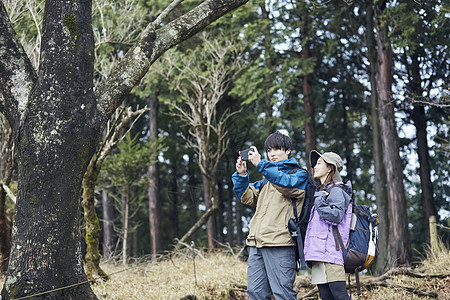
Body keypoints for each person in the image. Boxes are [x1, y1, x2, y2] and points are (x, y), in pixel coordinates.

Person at [232, 131, 308, 300]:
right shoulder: (267, 179)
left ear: (288, 150)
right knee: (256, 293)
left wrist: (262, 165)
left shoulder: (298, 174)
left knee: (283, 294)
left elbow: (286, 185)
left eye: (277, 149)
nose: (272, 154)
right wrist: (242, 175)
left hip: (281, 243)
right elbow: (247, 197)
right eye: (269, 150)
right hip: (257, 243)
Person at [304, 150, 352, 300]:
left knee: (340, 295)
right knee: (326, 297)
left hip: (331, 253)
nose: (314, 167)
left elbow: (336, 216)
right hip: (319, 254)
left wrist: (319, 200)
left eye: (319, 163)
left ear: (330, 167)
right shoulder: (323, 191)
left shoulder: (337, 190)